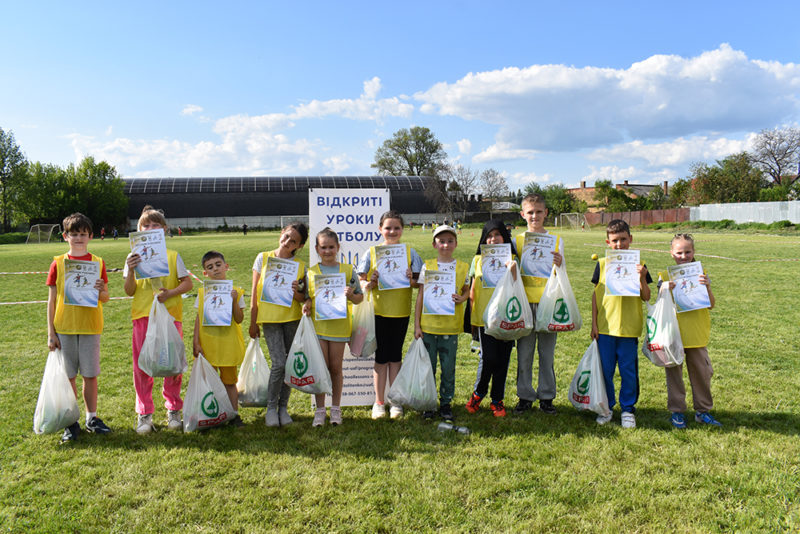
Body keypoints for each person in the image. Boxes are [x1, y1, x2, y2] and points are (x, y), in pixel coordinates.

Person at [124, 206, 193, 434]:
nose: (151, 229)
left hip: (170, 317)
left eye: (156, 225)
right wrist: (131, 270)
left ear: (164, 229)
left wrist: (170, 293)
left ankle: (173, 410)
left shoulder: (173, 256)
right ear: (139, 229)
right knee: (142, 365)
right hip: (142, 316)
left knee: (172, 364)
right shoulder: (132, 258)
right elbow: (129, 291)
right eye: (146, 225)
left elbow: (187, 283)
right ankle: (144, 414)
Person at [46, 213, 111, 442]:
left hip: (90, 326)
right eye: (74, 234)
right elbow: (51, 300)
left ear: (91, 236)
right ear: (65, 236)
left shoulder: (98, 262)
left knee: (90, 375)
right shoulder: (58, 263)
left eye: (83, 234)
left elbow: (106, 297)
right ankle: (71, 422)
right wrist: (51, 333)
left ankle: (92, 418)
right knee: (69, 377)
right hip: (65, 327)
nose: (79, 238)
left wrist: (100, 290)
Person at [358, 210, 423, 419]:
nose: (392, 231)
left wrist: (411, 279)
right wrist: (371, 282)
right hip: (378, 312)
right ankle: (379, 402)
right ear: (380, 229)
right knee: (381, 357)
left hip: (401, 313)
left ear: (402, 230)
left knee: (395, 357)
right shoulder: (372, 252)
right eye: (388, 228)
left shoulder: (410, 253)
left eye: (396, 228)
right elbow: (361, 281)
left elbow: (419, 283)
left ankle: (395, 401)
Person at [590, 219, 651, 428]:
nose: (619, 244)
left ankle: (627, 410)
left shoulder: (640, 265)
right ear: (608, 242)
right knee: (605, 371)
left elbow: (646, 296)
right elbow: (595, 295)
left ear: (630, 239)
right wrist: (594, 324)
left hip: (629, 329)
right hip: (605, 328)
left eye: (623, 239)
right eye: (615, 240)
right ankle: (606, 407)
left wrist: (642, 278)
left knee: (628, 372)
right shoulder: (602, 264)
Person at [250, 222, 309, 427]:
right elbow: (254, 292)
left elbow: (302, 298)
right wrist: (253, 321)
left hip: (291, 318)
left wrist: (296, 292)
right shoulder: (263, 258)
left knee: (289, 364)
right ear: (281, 233)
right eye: (286, 236)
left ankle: (283, 408)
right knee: (279, 364)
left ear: (299, 246)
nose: (287, 242)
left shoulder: (300, 266)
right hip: (270, 319)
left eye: (294, 241)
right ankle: (271, 408)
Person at [303, 228, 363, 426]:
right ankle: (320, 410)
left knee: (336, 368)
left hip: (339, 327)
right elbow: (307, 298)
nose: (327, 251)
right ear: (317, 249)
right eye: (323, 247)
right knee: (320, 368)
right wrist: (307, 304)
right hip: (319, 328)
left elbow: (359, 298)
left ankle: (336, 409)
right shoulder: (311, 272)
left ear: (338, 247)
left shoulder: (348, 270)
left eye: (331, 247)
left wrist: (351, 295)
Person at [661, 234, 721, 428]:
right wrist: (664, 288)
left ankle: (703, 411)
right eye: (679, 252)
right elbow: (659, 304)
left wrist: (707, 287)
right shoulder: (664, 276)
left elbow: (711, 305)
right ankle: (677, 411)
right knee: (674, 376)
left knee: (702, 374)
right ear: (671, 253)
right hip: (674, 335)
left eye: (687, 252)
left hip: (696, 334)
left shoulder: (701, 273)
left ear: (694, 252)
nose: (683, 256)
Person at [513, 194, 563, 415]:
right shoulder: (517, 241)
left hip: (548, 303)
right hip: (524, 303)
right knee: (524, 353)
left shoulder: (556, 241)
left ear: (546, 213)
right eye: (530, 212)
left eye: (539, 212)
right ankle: (525, 396)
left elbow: (561, 274)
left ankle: (547, 396)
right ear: (523, 214)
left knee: (547, 354)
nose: (535, 216)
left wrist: (560, 263)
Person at [414, 225, 470, 421]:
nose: (446, 245)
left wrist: (462, 298)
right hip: (429, 327)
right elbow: (421, 296)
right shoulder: (427, 266)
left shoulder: (462, 267)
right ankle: (428, 403)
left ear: (456, 243)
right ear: (434, 244)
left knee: (448, 368)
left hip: (450, 328)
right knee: (428, 368)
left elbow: (467, 289)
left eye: (450, 241)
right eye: (441, 241)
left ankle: (446, 403)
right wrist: (417, 325)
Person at [465, 220, 518, 417]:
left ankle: (497, 400)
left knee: (503, 359)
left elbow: (517, 285)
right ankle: (478, 394)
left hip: (507, 316)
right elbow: (472, 290)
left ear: (504, 236)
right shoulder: (478, 259)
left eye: (497, 234)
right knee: (488, 358)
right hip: (484, 318)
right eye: (489, 236)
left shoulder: (513, 259)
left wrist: (512, 268)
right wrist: (472, 318)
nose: (493, 239)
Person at [192, 251, 246, 427]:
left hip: (228, 345)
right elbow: (199, 318)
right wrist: (196, 341)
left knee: (229, 382)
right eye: (210, 267)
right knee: (209, 381)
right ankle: (211, 414)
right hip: (208, 344)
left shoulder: (236, 292)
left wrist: (234, 301)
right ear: (205, 273)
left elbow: (239, 319)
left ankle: (234, 415)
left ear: (226, 266)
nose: (215, 269)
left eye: (218, 265)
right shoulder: (202, 293)